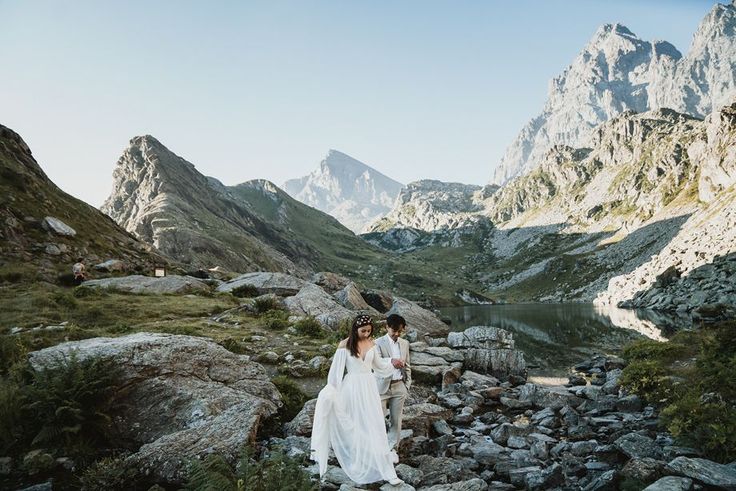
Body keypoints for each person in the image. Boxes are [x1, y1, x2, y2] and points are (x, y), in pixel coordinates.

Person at [310, 315, 404, 486]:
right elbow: (335, 374)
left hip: (369, 388)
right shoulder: (344, 345)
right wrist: (330, 393)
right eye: (363, 331)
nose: (366, 334)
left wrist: (392, 362)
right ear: (355, 329)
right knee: (353, 423)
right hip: (351, 388)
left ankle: (384, 468)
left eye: (369, 331)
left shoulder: (372, 344)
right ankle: (356, 460)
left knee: (373, 424)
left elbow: (379, 366)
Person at [375, 314, 411, 450]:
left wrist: (406, 386)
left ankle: (393, 450)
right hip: (381, 387)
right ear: (387, 327)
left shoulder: (405, 343)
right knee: (378, 420)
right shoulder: (377, 343)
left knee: (396, 421)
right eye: (393, 331)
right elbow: (376, 363)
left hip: (399, 386)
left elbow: (407, 366)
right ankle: (378, 449)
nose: (396, 334)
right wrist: (391, 361)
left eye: (399, 331)